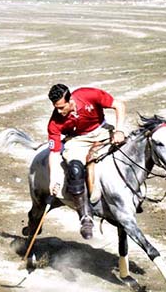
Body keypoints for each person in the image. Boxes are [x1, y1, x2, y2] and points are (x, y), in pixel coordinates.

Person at [46, 83, 127, 240]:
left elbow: (119, 105)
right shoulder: (55, 122)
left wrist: (120, 130)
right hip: (78, 140)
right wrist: (53, 178)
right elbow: (54, 153)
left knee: (129, 151)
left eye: (61, 107)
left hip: (101, 130)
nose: (58, 111)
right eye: (56, 107)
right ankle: (85, 217)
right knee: (75, 169)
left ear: (70, 100)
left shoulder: (89, 95)